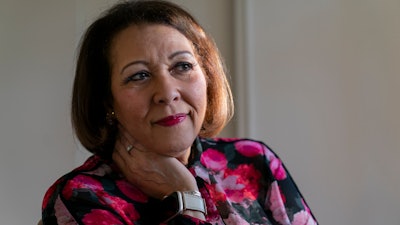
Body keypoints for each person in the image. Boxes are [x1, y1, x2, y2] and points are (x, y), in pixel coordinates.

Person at [41, 0, 318, 224]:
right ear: (106, 101)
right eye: (139, 76)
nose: (167, 92)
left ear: (207, 77)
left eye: (182, 66)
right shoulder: (82, 198)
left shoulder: (254, 162)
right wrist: (186, 198)